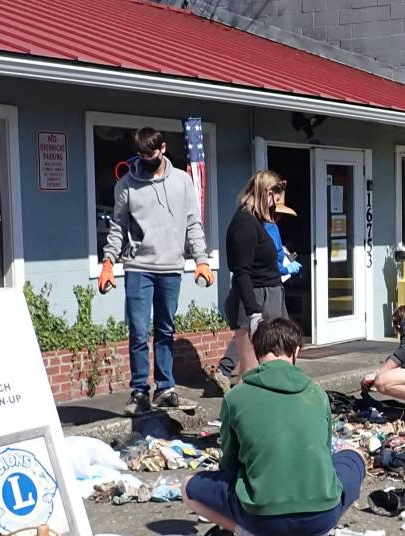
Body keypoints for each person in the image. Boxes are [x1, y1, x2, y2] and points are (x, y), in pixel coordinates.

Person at [182, 318, 366, 536]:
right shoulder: (317, 393)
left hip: (262, 518)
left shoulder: (237, 397)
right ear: (296, 351)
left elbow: (230, 465)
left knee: (188, 486)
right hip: (321, 514)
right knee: (354, 456)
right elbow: (324, 457)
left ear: (256, 352)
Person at [99, 127, 214, 417]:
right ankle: (139, 391)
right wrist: (109, 263)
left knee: (165, 330)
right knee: (139, 332)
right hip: (139, 267)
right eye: (140, 155)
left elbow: (192, 223)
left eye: (149, 154)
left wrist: (201, 259)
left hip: (171, 267)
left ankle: (165, 388)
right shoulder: (126, 185)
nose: (144, 159)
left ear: (162, 148)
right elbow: (117, 227)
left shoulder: (182, 182)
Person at [210, 187, 301, 392]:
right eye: (275, 212)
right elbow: (248, 267)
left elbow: (272, 257)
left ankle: (227, 372)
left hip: (272, 289)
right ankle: (229, 378)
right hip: (260, 293)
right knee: (253, 359)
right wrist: (285, 268)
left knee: (272, 345)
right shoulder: (251, 224)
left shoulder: (267, 226)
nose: (276, 216)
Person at [223, 170, 289, 377]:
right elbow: (241, 271)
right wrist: (254, 313)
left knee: (271, 366)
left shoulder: (256, 221)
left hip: (270, 294)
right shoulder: (244, 223)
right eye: (275, 199)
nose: (274, 205)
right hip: (255, 298)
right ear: (267, 192)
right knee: (252, 372)